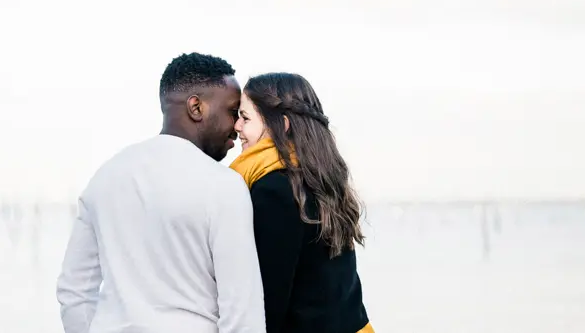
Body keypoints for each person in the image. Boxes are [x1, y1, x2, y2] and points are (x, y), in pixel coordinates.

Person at [57, 53, 266, 333]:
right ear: (196, 107)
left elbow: (74, 291)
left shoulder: (106, 177)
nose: (236, 126)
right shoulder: (223, 185)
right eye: (232, 111)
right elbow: (242, 314)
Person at [230, 73, 374, 333]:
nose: (236, 126)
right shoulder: (322, 178)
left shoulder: (274, 189)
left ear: (281, 125)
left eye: (245, 117)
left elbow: (269, 302)